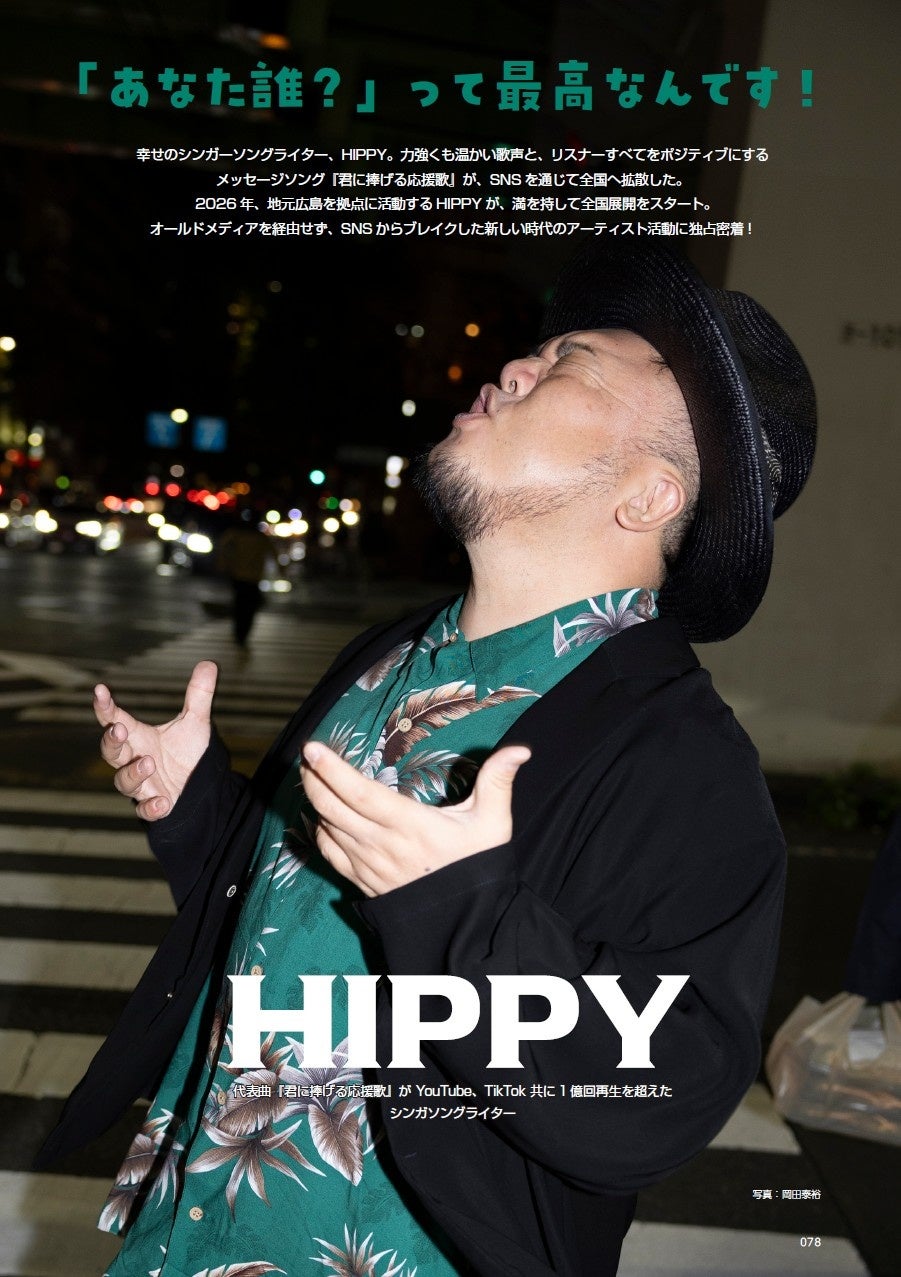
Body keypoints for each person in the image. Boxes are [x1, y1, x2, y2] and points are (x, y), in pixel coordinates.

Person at [36, 241, 816, 1277]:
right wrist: (199, 810)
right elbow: (306, 920)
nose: (514, 367)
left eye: (571, 364)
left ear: (644, 495)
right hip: (191, 1229)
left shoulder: (682, 763)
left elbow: (657, 1098)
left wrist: (460, 916)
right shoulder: (392, 656)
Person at [216, 506, 272, 647]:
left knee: (241, 605)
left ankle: (240, 633)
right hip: (249, 576)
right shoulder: (257, 537)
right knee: (247, 607)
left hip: (242, 576)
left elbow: (222, 546)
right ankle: (242, 633)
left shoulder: (239, 534)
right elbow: (274, 553)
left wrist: (223, 563)